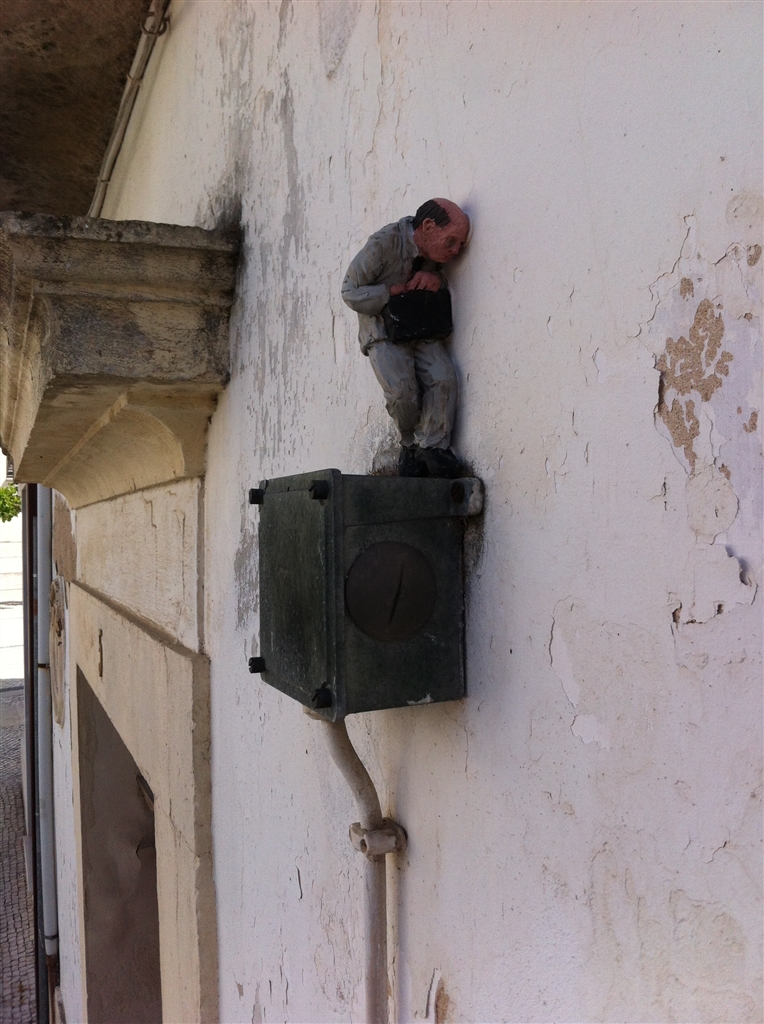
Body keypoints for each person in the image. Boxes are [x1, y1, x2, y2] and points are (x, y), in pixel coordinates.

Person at [341, 198, 470, 478]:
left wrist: (436, 280)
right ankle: (410, 445)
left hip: (420, 327)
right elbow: (349, 291)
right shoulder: (383, 244)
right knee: (402, 392)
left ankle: (433, 446)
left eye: (461, 244)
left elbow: (439, 277)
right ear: (427, 226)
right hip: (383, 331)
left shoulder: (433, 255)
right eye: (451, 242)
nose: (456, 251)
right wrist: (390, 292)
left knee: (443, 377)